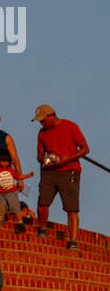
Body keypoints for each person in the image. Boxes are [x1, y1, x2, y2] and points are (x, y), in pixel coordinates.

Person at [33, 105, 89, 253]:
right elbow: (39, 154)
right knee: (42, 202)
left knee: (72, 208)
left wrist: (65, 159)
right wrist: (45, 159)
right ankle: (42, 231)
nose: (41, 123)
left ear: (51, 115)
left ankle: (73, 241)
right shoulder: (42, 133)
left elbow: (85, 149)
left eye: (43, 120)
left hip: (69, 171)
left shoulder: (70, 126)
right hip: (49, 172)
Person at [0, 148, 35, 231]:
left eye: (6, 161)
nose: (5, 163)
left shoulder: (10, 170)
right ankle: (2, 222)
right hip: (0, 193)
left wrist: (27, 176)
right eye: (3, 161)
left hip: (11, 192)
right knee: (1, 207)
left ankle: (20, 222)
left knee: (15, 206)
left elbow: (18, 177)